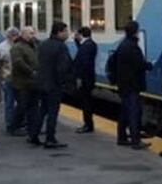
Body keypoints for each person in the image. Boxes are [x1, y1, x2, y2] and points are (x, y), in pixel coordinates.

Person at [109, 20, 152, 150]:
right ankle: (135, 140)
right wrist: (149, 65)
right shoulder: (132, 47)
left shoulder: (123, 44)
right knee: (133, 112)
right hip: (132, 84)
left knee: (125, 112)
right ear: (135, 32)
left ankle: (122, 137)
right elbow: (139, 64)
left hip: (124, 84)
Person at [37, 21, 74, 149]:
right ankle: (50, 138)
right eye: (66, 31)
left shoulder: (43, 44)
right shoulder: (61, 47)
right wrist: (64, 83)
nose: (68, 34)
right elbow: (62, 68)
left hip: (42, 83)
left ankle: (34, 135)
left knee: (42, 110)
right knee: (53, 113)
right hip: (54, 85)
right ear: (59, 32)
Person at [10, 27, 41, 145]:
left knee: (33, 105)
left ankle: (33, 127)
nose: (32, 35)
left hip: (33, 83)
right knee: (22, 105)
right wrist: (31, 72)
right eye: (30, 33)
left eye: (33, 33)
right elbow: (18, 63)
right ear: (23, 34)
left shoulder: (34, 46)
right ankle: (14, 126)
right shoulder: (17, 47)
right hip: (22, 83)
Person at [73, 26, 97, 133]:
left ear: (81, 34)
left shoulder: (86, 47)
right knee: (87, 101)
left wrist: (79, 78)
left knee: (86, 102)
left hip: (85, 79)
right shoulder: (90, 44)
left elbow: (83, 63)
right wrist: (76, 40)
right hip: (89, 78)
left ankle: (88, 125)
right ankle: (88, 124)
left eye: (77, 34)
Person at [0, 28, 21, 133]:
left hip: (19, 78)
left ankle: (17, 122)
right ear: (9, 36)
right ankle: (10, 124)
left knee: (20, 101)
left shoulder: (19, 46)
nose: (15, 37)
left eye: (16, 35)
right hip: (7, 78)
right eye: (13, 35)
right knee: (9, 102)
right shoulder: (1, 48)